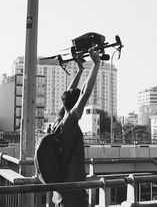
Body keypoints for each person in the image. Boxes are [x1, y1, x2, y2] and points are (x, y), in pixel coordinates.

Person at [51, 48, 100, 207]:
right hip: (73, 194)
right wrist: (96, 64)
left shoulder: (57, 121)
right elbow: (85, 93)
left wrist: (80, 70)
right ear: (75, 106)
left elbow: (69, 94)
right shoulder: (69, 123)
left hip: (58, 194)